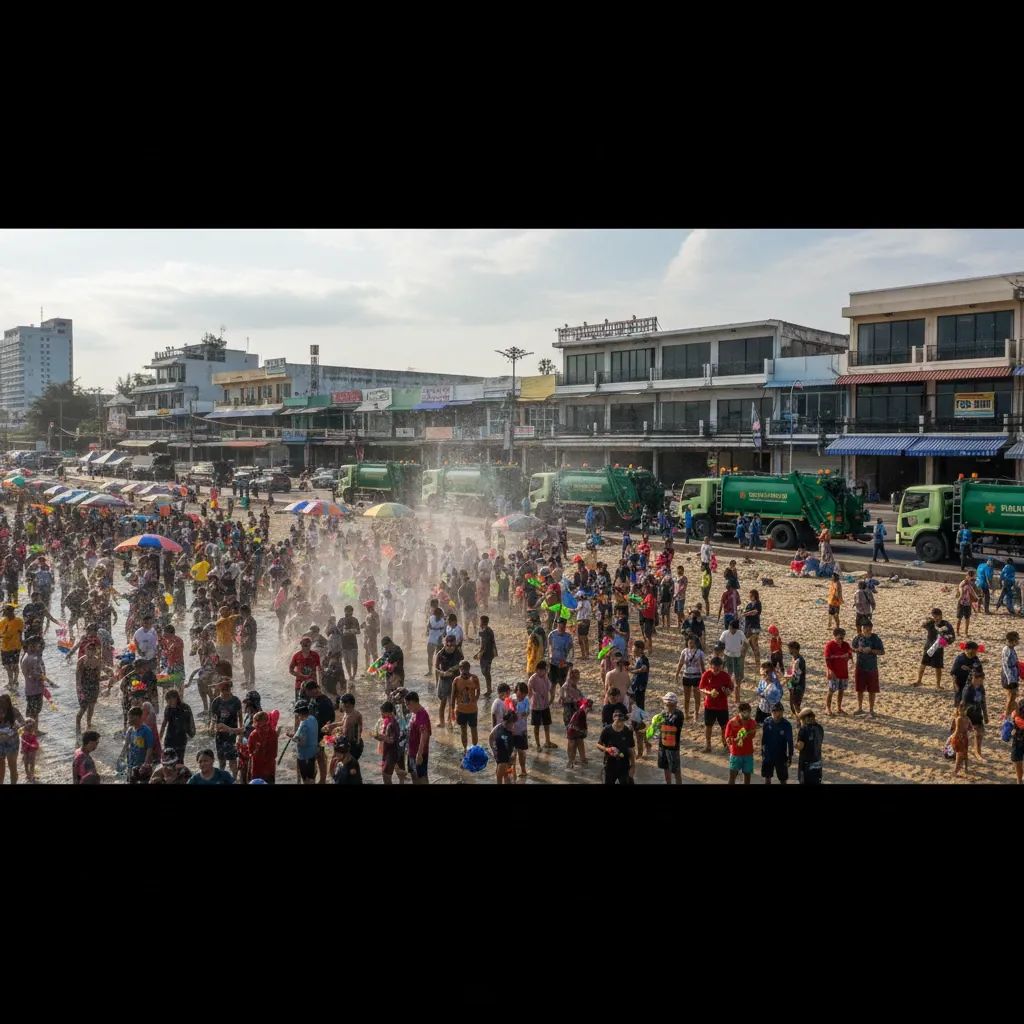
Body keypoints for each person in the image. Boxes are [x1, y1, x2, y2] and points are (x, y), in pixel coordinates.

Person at [699, 655, 733, 753]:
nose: (716, 670)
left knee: (724, 726)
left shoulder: (725, 676)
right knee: (708, 725)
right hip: (709, 705)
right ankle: (708, 745)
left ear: (721, 667)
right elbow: (701, 688)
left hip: (722, 706)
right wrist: (709, 693)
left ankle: (725, 744)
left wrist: (727, 691)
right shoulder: (706, 674)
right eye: (714, 668)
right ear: (711, 666)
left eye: (718, 668)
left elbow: (730, 689)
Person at [915, 607, 954, 689]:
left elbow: (952, 636)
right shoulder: (930, 623)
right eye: (933, 616)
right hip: (928, 646)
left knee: (938, 667)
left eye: (936, 616)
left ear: (940, 615)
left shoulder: (946, 624)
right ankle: (919, 681)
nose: (935, 618)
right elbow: (922, 625)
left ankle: (938, 684)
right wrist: (927, 621)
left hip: (938, 648)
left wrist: (946, 641)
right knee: (923, 664)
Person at [852, 622, 885, 718]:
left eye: (867, 628)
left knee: (872, 690)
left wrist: (871, 650)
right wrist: (858, 650)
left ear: (871, 628)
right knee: (859, 689)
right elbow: (852, 648)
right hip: (860, 666)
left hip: (872, 667)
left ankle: (871, 710)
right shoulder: (858, 637)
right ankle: (860, 708)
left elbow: (882, 652)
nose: (865, 629)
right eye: (864, 627)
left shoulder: (875, 639)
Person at [597, 709, 635, 785]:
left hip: (624, 765)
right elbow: (598, 745)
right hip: (609, 764)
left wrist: (633, 766)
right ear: (613, 718)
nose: (617, 720)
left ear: (624, 719)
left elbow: (630, 749)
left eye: (620, 717)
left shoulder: (628, 731)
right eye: (615, 716)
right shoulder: (607, 730)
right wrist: (607, 749)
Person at [451, 660, 480, 754]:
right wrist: (452, 710)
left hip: (472, 710)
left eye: (466, 668)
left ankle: (475, 748)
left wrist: (475, 699)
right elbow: (453, 696)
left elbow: (478, 691)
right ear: (459, 669)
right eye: (462, 668)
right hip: (460, 710)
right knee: (463, 730)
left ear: (469, 668)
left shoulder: (474, 678)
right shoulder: (456, 680)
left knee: (474, 729)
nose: (464, 671)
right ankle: (465, 749)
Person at [287, 700, 319, 785]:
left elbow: (302, 743)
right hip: (312, 753)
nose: (297, 716)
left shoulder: (304, 724)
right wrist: (295, 735)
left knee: (307, 780)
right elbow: (309, 734)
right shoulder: (313, 718)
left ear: (300, 713)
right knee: (312, 778)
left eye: (297, 714)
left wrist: (292, 737)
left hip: (305, 756)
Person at [372, 700, 405, 785]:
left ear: (387, 712)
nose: (381, 714)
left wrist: (378, 736)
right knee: (400, 775)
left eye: (382, 712)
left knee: (386, 776)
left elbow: (391, 740)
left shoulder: (391, 724)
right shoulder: (396, 719)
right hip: (399, 751)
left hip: (392, 752)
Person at [675, 635, 705, 727]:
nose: (690, 644)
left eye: (692, 642)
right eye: (689, 642)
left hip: (696, 676)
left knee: (697, 696)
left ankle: (696, 713)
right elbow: (680, 663)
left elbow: (702, 667)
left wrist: (704, 677)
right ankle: (687, 713)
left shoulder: (700, 653)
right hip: (686, 676)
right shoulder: (684, 651)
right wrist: (677, 674)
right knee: (686, 696)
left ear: (695, 643)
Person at [654, 692, 684, 784]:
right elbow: (656, 729)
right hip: (663, 745)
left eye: (671, 705)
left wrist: (660, 725)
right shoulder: (662, 714)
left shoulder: (679, 715)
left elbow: (673, 726)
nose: (669, 707)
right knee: (665, 768)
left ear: (675, 704)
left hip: (673, 747)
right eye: (667, 705)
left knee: (676, 770)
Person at [760, 703, 793, 784]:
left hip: (781, 756)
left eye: (780, 712)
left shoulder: (786, 725)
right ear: (772, 712)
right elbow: (764, 738)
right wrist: (762, 752)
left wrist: (790, 756)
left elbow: (790, 741)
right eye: (775, 712)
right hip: (768, 755)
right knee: (767, 778)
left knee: (783, 779)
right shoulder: (767, 722)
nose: (778, 714)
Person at [725, 702, 757, 784]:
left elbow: (753, 733)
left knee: (747, 776)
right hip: (736, 753)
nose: (748, 715)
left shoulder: (752, 722)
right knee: (732, 776)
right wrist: (737, 738)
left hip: (748, 753)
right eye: (745, 712)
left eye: (749, 712)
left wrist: (747, 733)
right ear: (740, 712)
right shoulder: (731, 723)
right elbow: (728, 739)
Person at [960, 666, 988, 761]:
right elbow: (962, 705)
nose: (980, 681)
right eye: (978, 679)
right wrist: (963, 718)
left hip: (977, 713)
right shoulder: (968, 690)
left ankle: (977, 752)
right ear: (973, 678)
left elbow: (983, 702)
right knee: (964, 736)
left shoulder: (981, 688)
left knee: (979, 733)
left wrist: (985, 715)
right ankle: (963, 753)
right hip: (968, 714)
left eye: (981, 679)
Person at [824, 627, 852, 716]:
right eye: (840, 637)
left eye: (843, 637)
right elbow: (827, 659)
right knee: (831, 690)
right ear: (835, 636)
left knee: (841, 690)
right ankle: (827, 708)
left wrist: (848, 657)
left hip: (843, 672)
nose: (841, 639)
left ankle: (839, 708)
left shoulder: (846, 645)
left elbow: (850, 655)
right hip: (834, 672)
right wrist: (830, 671)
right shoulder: (830, 645)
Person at [528, 660, 556, 751]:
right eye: (540, 670)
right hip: (536, 706)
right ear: (536, 670)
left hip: (545, 705)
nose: (542, 672)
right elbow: (529, 693)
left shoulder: (546, 677)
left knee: (547, 724)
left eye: (543, 670)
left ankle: (547, 741)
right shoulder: (532, 679)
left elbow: (550, 688)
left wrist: (552, 698)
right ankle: (538, 745)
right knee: (536, 726)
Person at [434, 634, 461, 728]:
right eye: (448, 645)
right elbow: (436, 668)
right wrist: (443, 674)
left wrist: (453, 668)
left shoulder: (458, 652)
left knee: (452, 702)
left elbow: (462, 664)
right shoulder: (440, 654)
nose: (450, 648)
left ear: (455, 644)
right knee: (443, 702)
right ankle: (442, 722)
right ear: (445, 644)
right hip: (444, 680)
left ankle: (449, 721)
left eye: (452, 646)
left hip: (454, 680)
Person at [719, 619, 749, 704]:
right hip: (727, 656)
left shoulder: (740, 633)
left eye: (732, 629)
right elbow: (720, 644)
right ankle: (725, 694)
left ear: (736, 629)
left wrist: (744, 652)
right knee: (727, 675)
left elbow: (746, 643)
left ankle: (737, 698)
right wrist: (720, 654)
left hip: (737, 656)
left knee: (738, 677)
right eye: (730, 628)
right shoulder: (725, 633)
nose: (731, 630)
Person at [405, 691, 431, 785]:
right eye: (406, 704)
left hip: (419, 753)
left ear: (416, 702)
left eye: (409, 704)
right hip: (411, 751)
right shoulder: (414, 712)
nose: (407, 707)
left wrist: (419, 754)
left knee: (422, 778)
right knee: (414, 775)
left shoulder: (422, 715)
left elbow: (425, 735)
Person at [125, 705, 155, 784]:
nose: (129, 720)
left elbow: (150, 748)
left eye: (131, 717)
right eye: (128, 717)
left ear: (138, 717)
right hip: (131, 764)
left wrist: (145, 764)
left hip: (142, 766)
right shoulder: (130, 730)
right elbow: (126, 746)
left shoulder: (146, 731)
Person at [796, 709, 824, 785]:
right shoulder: (820, 728)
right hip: (818, 762)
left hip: (806, 764)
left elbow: (800, 746)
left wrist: (796, 745)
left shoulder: (803, 729)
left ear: (805, 719)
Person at [489, 708, 517, 784]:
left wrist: (513, 755)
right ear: (508, 722)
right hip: (502, 757)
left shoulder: (510, 730)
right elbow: (491, 737)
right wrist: (493, 750)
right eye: (513, 723)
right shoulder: (499, 728)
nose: (513, 725)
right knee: (502, 775)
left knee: (507, 774)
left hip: (507, 755)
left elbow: (514, 745)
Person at [950, 640, 981, 707]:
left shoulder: (975, 659)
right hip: (959, 683)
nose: (976, 651)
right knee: (959, 700)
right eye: (975, 650)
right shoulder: (960, 659)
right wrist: (955, 684)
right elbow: (954, 673)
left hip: (970, 683)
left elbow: (979, 672)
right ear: (969, 650)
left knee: (968, 701)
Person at [0, 604, 24, 691]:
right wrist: (4, 633)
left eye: (6, 612)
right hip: (4, 647)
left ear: (11, 612)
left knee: (14, 665)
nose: (5, 614)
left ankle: (15, 680)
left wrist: (23, 645)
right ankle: (10, 681)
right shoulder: (3, 622)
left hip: (15, 647)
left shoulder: (19, 621)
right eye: (4, 612)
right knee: (7, 666)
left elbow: (20, 634)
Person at [476, 614, 497, 698]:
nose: (479, 622)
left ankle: (489, 690)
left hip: (487, 654)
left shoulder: (486, 632)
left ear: (483, 622)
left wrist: (478, 654)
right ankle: (489, 688)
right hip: (487, 654)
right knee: (485, 671)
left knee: (486, 672)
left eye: (480, 621)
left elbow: (484, 645)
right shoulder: (486, 630)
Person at [1001, 631, 1020, 719]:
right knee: (1011, 697)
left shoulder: (1011, 648)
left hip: (1012, 675)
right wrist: (1011, 680)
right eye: (1017, 640)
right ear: (1012, 641)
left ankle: (1009, 713)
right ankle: (1007, 716)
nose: (1018, 642)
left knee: (1012, 696)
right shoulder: (1007, 650)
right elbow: (1006, 666)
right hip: (1009, 676)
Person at [948, 705, 970, 777]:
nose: (962, 712)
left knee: (958, 755)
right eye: (961, 710)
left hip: (959, 738)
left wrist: (951, 737)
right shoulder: (967, 718)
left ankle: (955, 771)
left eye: (962, 710)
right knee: (965, 753)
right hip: (965, 737)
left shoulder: (958, 719)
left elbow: (957, 730)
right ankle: (966, 768)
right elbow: (971, 728)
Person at [786, 640, 807, 718]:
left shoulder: (799, 661)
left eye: (790, 649)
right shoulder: (794, 658)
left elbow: (797, 677)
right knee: (793, 703)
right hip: (793, 684)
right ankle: (796, 716)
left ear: (795, 649)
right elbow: (792, 670)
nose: (789, 650)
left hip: (798, 685)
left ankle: (800, 720)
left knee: (796, 705)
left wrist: (788, 680)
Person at [956, 572, 979, 638]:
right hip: (961, 603)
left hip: (968, 604)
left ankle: (966, 632)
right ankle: (957, 632)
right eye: (972, 579)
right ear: (967, 577)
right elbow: (960, 587)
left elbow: (972, 594)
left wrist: (976, 599)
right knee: (959, 618)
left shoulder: (970, 586)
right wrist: (961, 595)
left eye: (974, 580)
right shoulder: (964, 583)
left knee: (967, 619)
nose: (973, 581)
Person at [1009, 697, 1024, 784]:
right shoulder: (1020, 703)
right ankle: (1019, 781)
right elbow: (1013, 717)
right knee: (1017, 761)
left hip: (1019, 737)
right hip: (1018, 737)